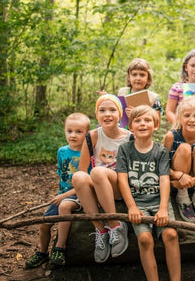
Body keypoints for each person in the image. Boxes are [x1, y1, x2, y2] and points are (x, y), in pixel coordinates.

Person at [117, 106, 191, 281]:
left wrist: (162, 208)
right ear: (131, 126)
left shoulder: (159, 151)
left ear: (155, 125)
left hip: (159, 202)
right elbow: (122, 179)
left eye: (147, 120)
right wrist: (131, 207)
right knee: (145, 238)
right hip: (138, 203)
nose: (142, 124)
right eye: (138, 121)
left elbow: (164, 180)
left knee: (170, 235)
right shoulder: (125, 150)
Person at [26, 113, 91, 269]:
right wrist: (60, 194)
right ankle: (42, 253)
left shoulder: (88, 152)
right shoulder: (62, 151)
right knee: (44, 224)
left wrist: (65, 195)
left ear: (87, 133)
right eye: (69, 131)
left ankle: (59, 248)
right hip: (62, 194)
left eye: (78, 132)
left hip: (80, 195)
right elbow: (62, 175)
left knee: (64, 206)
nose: (73, 135)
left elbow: (88, 181)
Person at [72, 94, 131, 263]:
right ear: (97, 115)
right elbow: (82, 170)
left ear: (120, 114)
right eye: (102, 110)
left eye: (112, 110)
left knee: (97, 171)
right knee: (78, 177)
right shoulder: (92, 136)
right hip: (98, 184)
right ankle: (101, 230)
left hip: (119, 185)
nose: (107, 114)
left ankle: (115, 225)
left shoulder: (129, 138)